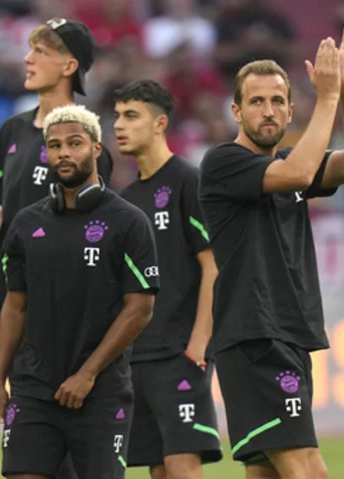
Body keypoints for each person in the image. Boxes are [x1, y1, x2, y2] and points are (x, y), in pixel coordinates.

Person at [197, 26, 344, 479]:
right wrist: (329, 99)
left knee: (269, 473)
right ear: (236, 111)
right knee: (308, 469)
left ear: (291, 110)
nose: (269, 110)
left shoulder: (288, 162)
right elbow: (297, 174)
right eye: (256, 102)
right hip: (257, 335)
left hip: (284, 333)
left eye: (278, 101)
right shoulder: (224, 163)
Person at [0, 19, 112, 478]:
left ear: (69, 65)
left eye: (41, 50)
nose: (28, 58)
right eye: (30, 49)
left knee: (66, 440)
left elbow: (96, 221)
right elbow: (13, 211)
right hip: (18, 297)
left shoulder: (88, 141)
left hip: (69, 306)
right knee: (32, 447)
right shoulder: (12, 130)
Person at [0, 104, 160, 479]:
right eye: (55, 145)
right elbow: (14, 307)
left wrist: (88, 374)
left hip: (101, 392)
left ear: (96, 149)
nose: (64, 153)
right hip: (33, 390)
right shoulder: (26, 224)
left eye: (75, 143)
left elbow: (140, 308)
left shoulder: (129, 221)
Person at [114, 80, 223, 478]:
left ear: (160, 124)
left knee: (182, 467)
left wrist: (198, 344)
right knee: (158, 470)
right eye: (117, 117)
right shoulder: (125, 199)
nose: (119, 126)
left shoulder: (188, 182)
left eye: (131, 116)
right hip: (136, 355)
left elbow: (213, 265)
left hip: (179, 351)